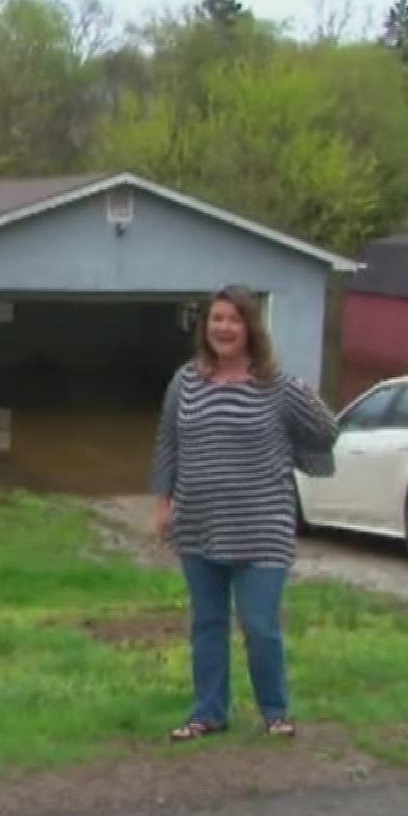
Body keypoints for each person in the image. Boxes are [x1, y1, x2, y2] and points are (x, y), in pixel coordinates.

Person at [149, 286, 339, 741]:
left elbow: (327, 430)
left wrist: (290, 447)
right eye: (216, 319)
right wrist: (163, 503)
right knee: (208, 623)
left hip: (262, 527)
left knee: (259, 625)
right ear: (206, 327)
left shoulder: (277, 385)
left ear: (250, 329)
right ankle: (209, 712)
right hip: (198, 523)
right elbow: (168, 443)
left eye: (233, 320)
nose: (224, 328)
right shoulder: (186, 381)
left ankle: (275, 712)